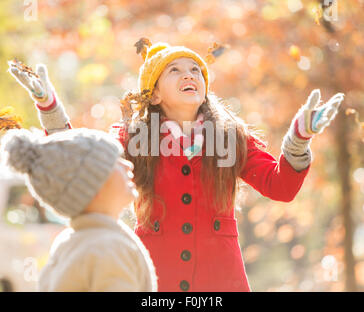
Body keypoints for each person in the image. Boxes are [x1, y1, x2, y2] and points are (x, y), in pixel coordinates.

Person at [8, 40, 344, 291]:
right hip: (155, 277)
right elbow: (81, 156)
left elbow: (281, 187)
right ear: (154, 95)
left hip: (222, 280)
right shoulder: (131, 136)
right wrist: (50, 106)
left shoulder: (232, 136)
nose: (190, 75)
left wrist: (299, 139)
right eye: (176, 70)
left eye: (196, 70)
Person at [0, 128, 157, 292]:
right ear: (92, 186)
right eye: (115, 162)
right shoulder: (107, 249)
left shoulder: (69, 242)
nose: (128, 165)